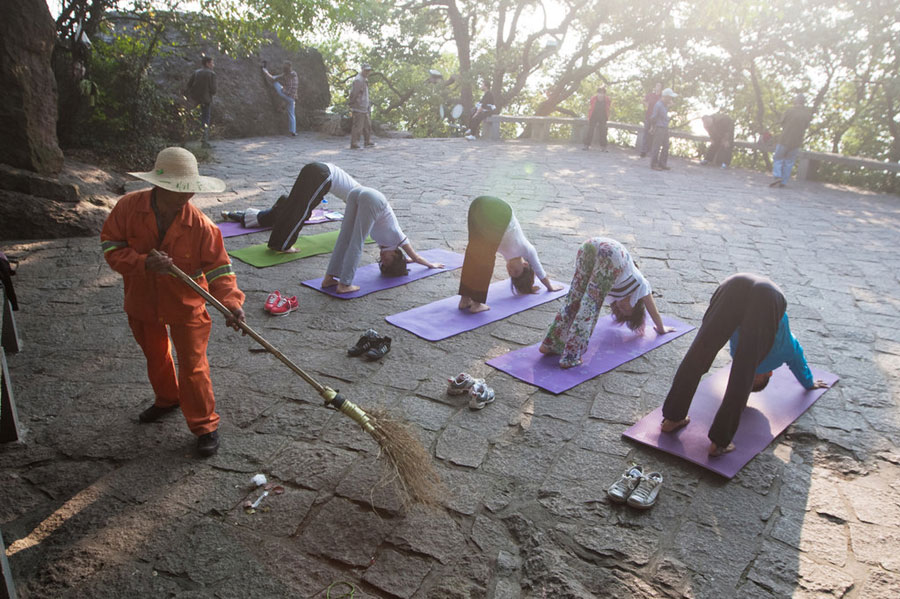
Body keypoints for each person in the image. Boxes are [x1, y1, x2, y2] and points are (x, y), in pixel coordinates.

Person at [100, 147, 246, 457]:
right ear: (159, 186)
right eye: (179, 189)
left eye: (189, 189)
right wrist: (141, 263)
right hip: (141, 299)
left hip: (186, 304)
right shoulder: (128, 208)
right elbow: (111, 247)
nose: (186, 196)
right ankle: (167, 399)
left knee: (194, 367)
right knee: (156, 355)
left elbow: (220, 269)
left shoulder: (203, 226)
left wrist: (232, 303)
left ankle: (205, 425)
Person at [659, 273, 829, 456]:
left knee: (698, 353)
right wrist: (809, 383)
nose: (753, 378)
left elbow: (799, 362)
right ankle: (719, 442)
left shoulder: (785, 351)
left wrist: (809, 382)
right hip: (767, 299)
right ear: (769, 374)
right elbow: (796, 364)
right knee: (741, 374)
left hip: (734, 283)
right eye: (755, 381)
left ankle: (672, 418)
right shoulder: (780, 350)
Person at [539, 238, 673, 368]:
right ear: (636, 304)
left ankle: (550, 344)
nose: (622, 308)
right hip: (610, 253)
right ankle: (571, 356)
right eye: (627, 310)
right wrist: (661, 328)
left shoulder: (612, 293)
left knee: (574, 299)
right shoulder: (641, 286)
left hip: (589, 247)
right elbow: (653, 311)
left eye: (622, 312)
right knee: (588, 309)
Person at [322, 187, 443, 293]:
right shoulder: (399, 238)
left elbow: (406, 260)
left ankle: (329, 279)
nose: (382, 257)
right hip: (373, 199)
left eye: (382, 261)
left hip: (356, 193)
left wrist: (407, 261)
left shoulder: (387, 247)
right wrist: (431, 265)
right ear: (396, 254)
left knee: (344, 237)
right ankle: (344, 284)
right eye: (387, 259)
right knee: (356, 242)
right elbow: (416, 258)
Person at [221, 162, 359, 253]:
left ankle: (276, 241)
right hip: (323, 175)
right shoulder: (364, 198)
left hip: (315, 168)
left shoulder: (360, 191)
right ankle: (283, 245)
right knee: (301, 210)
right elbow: (353, 218)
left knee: (292, 205)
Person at [457, 196, 563, 313]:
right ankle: (477, 304)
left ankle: (464, 299)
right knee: (486, 260)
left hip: (478, 205)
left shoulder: (507, 253)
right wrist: (550, 287)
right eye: (516, 271)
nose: (511, 270)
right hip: (499, 211)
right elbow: (540, 272)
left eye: (511, 274)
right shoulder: (527, 249)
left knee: (473, 253)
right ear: (525, 264)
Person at [770, 94, 813, 187]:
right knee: (789, 161)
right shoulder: (807, 114)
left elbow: (782, 123)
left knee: (778, 158)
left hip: (784, 139)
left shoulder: (789, 111)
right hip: (797, 141)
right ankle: (784, 181)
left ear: (796, 100)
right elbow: (806, 126)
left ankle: (777, 176)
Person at [184, 56, 216, 148]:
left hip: (194, 99)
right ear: (207, 63)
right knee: (205, 119)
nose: (213, 65)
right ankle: (204, 142)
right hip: (206, 100)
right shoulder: (212, 74)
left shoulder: (196, 73)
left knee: (192, 118)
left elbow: (189, 85)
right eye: (212, 63)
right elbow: (214, 90)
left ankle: (186, 138)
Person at [263, 60, 299, 136]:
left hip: (284, 94)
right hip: (292, 98)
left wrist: (265, 71)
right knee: (292, 114)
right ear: (291, 67)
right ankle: (293, 131)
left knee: (275, 82)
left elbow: (273, 78)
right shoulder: (294, 74)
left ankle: (281, 107)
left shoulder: (284, 75)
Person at [649, 88, 677, 171]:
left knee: (666, 146)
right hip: (659, 127)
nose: (671, 99)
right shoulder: (659, 105)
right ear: (665, 97)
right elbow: (653, 117)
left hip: (665, 127)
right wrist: (652, 127)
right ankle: (654, 164)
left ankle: (662, 163)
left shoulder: (664, 105)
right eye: (670, 98)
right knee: (656, 146)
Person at [349, 64, 374, 149]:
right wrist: (352, 103)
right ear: (362, 70)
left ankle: (367, 141)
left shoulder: (364, 79)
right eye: (366, 70)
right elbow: (354, 93)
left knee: (367, 125)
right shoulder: (358, 80)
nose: (367, 72)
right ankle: (354, 143)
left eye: (369, 70)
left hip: (364, 106)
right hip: (359, 107)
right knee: (358, 126)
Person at [583, 86, 612, 151]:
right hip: (593, 116)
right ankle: (586, 145)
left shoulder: (607, 99)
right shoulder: (593, 98)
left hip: (603, 116)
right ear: (597, 93)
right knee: (590, 130)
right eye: (599, 93)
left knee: (603, 131)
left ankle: (603, 147)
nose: (601, 94)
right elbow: (591, 106)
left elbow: (608, 106)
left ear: (604, 93)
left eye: (602, 93)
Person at [640, 82, 662, 157]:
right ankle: (643, 151)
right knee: (646, 133)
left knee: (654, 135)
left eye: (659, 86)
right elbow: (642, 100)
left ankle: (652, 152)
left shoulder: (662, 97)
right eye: (657, 85)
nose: (658, 87)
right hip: (648, 116)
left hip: (657, 118)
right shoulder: (650, 95)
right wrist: (647, 105)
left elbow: (671, 103)